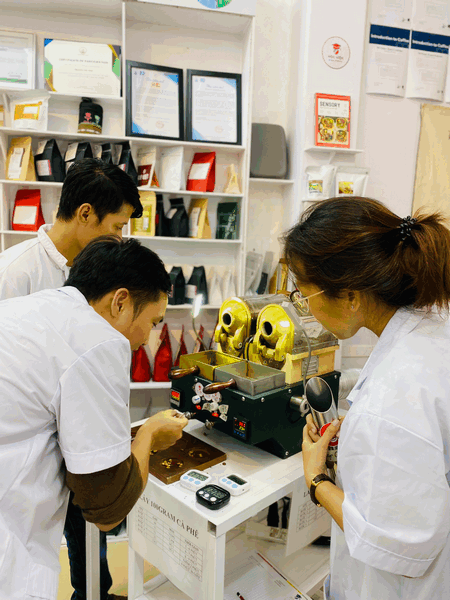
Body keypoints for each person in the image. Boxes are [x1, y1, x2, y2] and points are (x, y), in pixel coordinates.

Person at [0, 235, 189, 600]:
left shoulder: (36, 307)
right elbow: (108, 509)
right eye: (152, 322)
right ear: (121, 301)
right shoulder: (99, 340)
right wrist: (149, 435)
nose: (147, 338)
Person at [282, 196, 450, 600]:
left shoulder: (391, 399)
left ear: (351, 296)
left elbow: (395, 543)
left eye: (304, 295)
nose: (304, 308)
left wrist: (317, 478)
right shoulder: (433, 323)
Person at [0, 158, 143, 600]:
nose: (120, 239)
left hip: (74, 431)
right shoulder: (16, 272)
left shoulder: (97, 271)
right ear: (85, 214)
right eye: (116, 227)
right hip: (30, 443)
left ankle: (93, 592)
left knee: (89, 528)